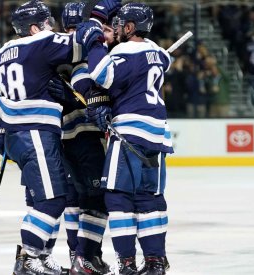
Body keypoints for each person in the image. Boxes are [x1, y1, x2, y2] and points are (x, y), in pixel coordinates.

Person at [0, 1, 119, 274]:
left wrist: (2, 127)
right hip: (35, 133)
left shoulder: (3, 51)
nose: (51, 26)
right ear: (34, 27)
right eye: (46, 22)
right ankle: (28, 257)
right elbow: (82, 41)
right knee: (53, 201)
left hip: (19, 135)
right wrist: (97, 16)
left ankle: (41, 256)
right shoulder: (42, 42)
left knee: (50, 197)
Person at [75, 3, 173, 274]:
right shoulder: (157, 54)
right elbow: (165, 60)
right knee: (150, 199)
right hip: (158, 134)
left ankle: (127, 263)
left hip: (129, 132)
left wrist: (95, 43)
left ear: (130, 28)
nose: (115, 29)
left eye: (119, 25)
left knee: (118, 199)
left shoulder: (126, 51)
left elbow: (102, 74)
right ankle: (155, 262)